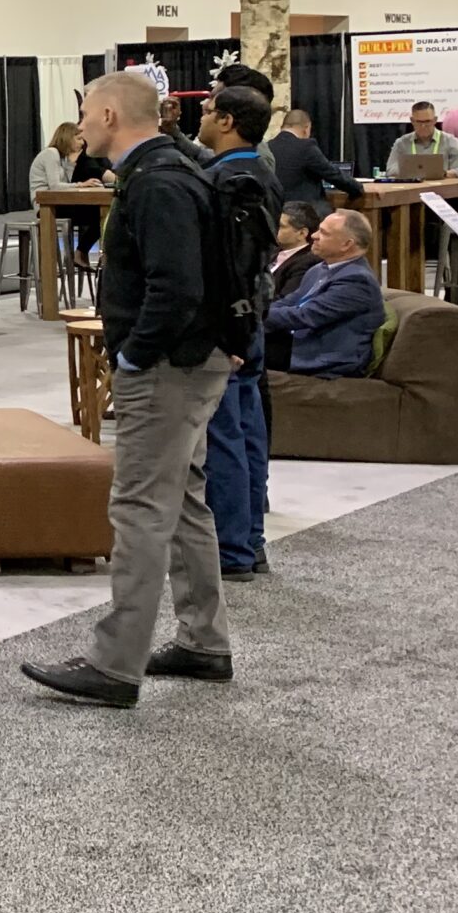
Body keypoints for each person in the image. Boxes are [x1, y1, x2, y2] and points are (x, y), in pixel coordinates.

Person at [22, 70, 234, 709]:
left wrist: (135, 357)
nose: (81, 124)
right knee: (185, 501)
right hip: (188, 363)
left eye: (86, 112)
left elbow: (177, 287)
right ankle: (203, 642)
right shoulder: (168, 172)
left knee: (139, 509)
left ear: (110, 115)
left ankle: (114, 665)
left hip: (168, 369)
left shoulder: (158, 183)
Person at [200, 84, 282, 580]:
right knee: (247, 427)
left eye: (209, 111)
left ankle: (232, 549)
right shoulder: (263, 171)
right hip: (253, 313)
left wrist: (226, 330)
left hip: (230, 321)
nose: (203, 117)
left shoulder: (227, 180)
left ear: (227, 121)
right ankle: (251, 541)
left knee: (225, 433)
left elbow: (228, 262)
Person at [265, 209, 385, 379]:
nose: (314, 236)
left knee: (240, 349)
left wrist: (255, 317)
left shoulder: (357, 280)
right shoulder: (319, 269)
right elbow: (288, 302)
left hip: (324, 357)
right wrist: (254, 315)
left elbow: (305, 316)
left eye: (324, 233)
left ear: (346, 244)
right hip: (298, 342)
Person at [270, 108, 358, 207]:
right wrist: (357, 188)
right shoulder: (306, 147)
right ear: (306, 128)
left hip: (275, 210)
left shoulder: (268, 147)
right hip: (304, 211)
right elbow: (332, 174)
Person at [392, 101, 458, 180]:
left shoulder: (451, 141)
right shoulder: (401, 143)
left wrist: (441, 173)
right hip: (413, 186)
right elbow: (391, 170)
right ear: (412, 121)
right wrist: (414, 172)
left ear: (435, 120)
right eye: (419, 122)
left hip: (442, 186)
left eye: (427, 121)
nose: (423, 126)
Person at [271, 202, 323, 305]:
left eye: (281, 226)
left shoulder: (307, 263)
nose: (274, 229)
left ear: (302, 233)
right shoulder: (273, 251)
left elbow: (284, 301)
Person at [28, 122, 80, 201]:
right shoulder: (51, 153)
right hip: (43, 200)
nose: (82, 143)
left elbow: (68, 183)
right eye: (79, 139)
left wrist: (71, 163)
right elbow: (54, 186)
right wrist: (79, 185)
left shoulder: (63, 157)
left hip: (56, 197)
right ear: (67, 138)